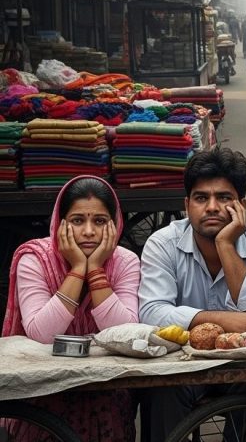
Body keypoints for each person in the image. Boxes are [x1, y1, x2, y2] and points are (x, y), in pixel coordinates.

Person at [137, 147, 246, 441]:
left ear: (241, 205)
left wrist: (226, 246)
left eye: (224, 198)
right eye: (201, 198)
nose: (212, 207)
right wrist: (221, 320)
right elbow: (151, 312)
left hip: (240, 363)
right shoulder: (162, 243)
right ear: (187, 204)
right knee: (161, 391)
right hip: (179, 365)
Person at [2, 175, 140, 441]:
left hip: (106, 389)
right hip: (44, 391)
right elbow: (42, 333)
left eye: (99, 221)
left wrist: (96, 270)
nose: (88, 231)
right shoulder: (34, 260)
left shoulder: (125, 262)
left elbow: (126, 332)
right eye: (78, 221)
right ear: (60, 224)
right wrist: (78, 270)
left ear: (114, 224)